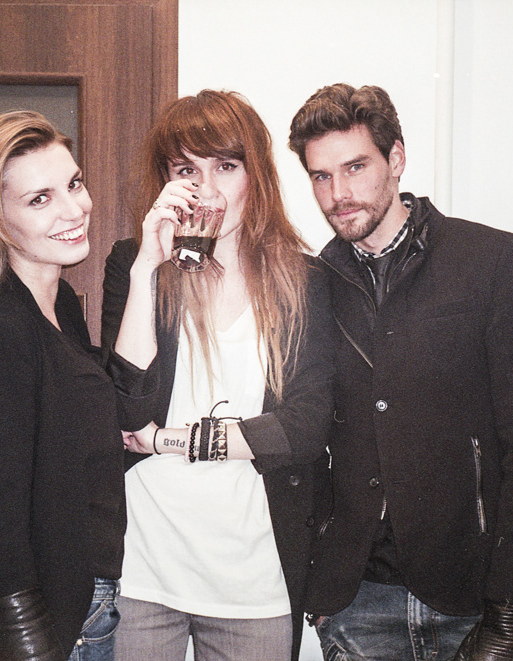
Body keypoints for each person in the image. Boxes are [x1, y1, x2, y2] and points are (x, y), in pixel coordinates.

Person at [287, 83, 513, 661]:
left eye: (356, 167)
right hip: (358, 606)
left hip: (476, 598)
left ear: (396, 159)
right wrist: (320, 583)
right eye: (321, 177)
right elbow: (306, 439)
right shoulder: (312, 285)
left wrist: (511, 614)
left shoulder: (491, 261)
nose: (339, 194)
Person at [100, 90, 336, 661]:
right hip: (144, 570)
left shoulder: (304, 280)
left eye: (225, 167)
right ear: (166, 181)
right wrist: (146, 269)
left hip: (254, 578)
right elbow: (128, 411)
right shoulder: (134, 263)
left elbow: (304, 428)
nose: (207, 190)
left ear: (255, 176)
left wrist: (166, 441)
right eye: (187, 170)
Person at [0, 110, 126, 661]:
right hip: (51, 620)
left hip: (86, 598)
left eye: (74, 184)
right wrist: (32, 649)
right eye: (40, 199)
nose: (75, 209)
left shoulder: (60, 307)